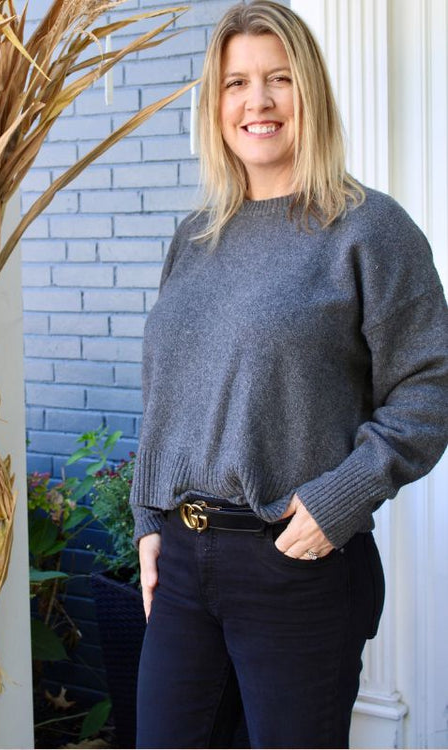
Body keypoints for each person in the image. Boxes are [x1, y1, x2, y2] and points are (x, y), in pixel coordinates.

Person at [129, 2, 448, 748]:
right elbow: (166, 396)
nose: (258, 102)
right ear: (216, 105)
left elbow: (429, 387)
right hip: (182, 563)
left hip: (295, 561)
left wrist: (338, 501)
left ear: (312, 92)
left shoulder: (368, 228)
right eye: (236, 83)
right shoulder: (196, 236)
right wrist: (148, 521)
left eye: (279, 79)